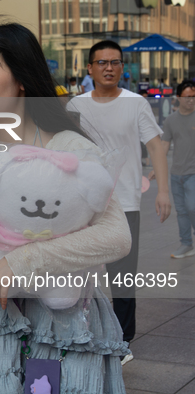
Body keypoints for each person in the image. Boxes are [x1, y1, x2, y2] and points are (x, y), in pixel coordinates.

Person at [0, 23, 132, 393]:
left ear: (21, 79)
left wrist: (20, 261)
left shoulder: (70, 149)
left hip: (62, 326)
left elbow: (117, 237)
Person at [69, 40, 171, 363]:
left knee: (122, 277)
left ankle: (124, 341)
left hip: (125, 202)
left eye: (115, 62)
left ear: (122, 67)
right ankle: (78, 330)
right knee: (77, 271)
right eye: (102, 63)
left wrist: (164, 190)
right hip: (83, 204)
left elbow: (155, 147)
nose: (109, 68)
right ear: (90, 68)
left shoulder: (136, 104)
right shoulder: (76, 106)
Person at [150, 80, 195, 258]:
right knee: (182, 211)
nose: (191, 100)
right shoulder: (171, 120)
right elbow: (165, 144)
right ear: (178, 97)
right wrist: (156, 166)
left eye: (194, 97)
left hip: (193, 173)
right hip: (177, 173)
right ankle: (186, 244)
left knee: (192, 207)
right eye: (188, 97)